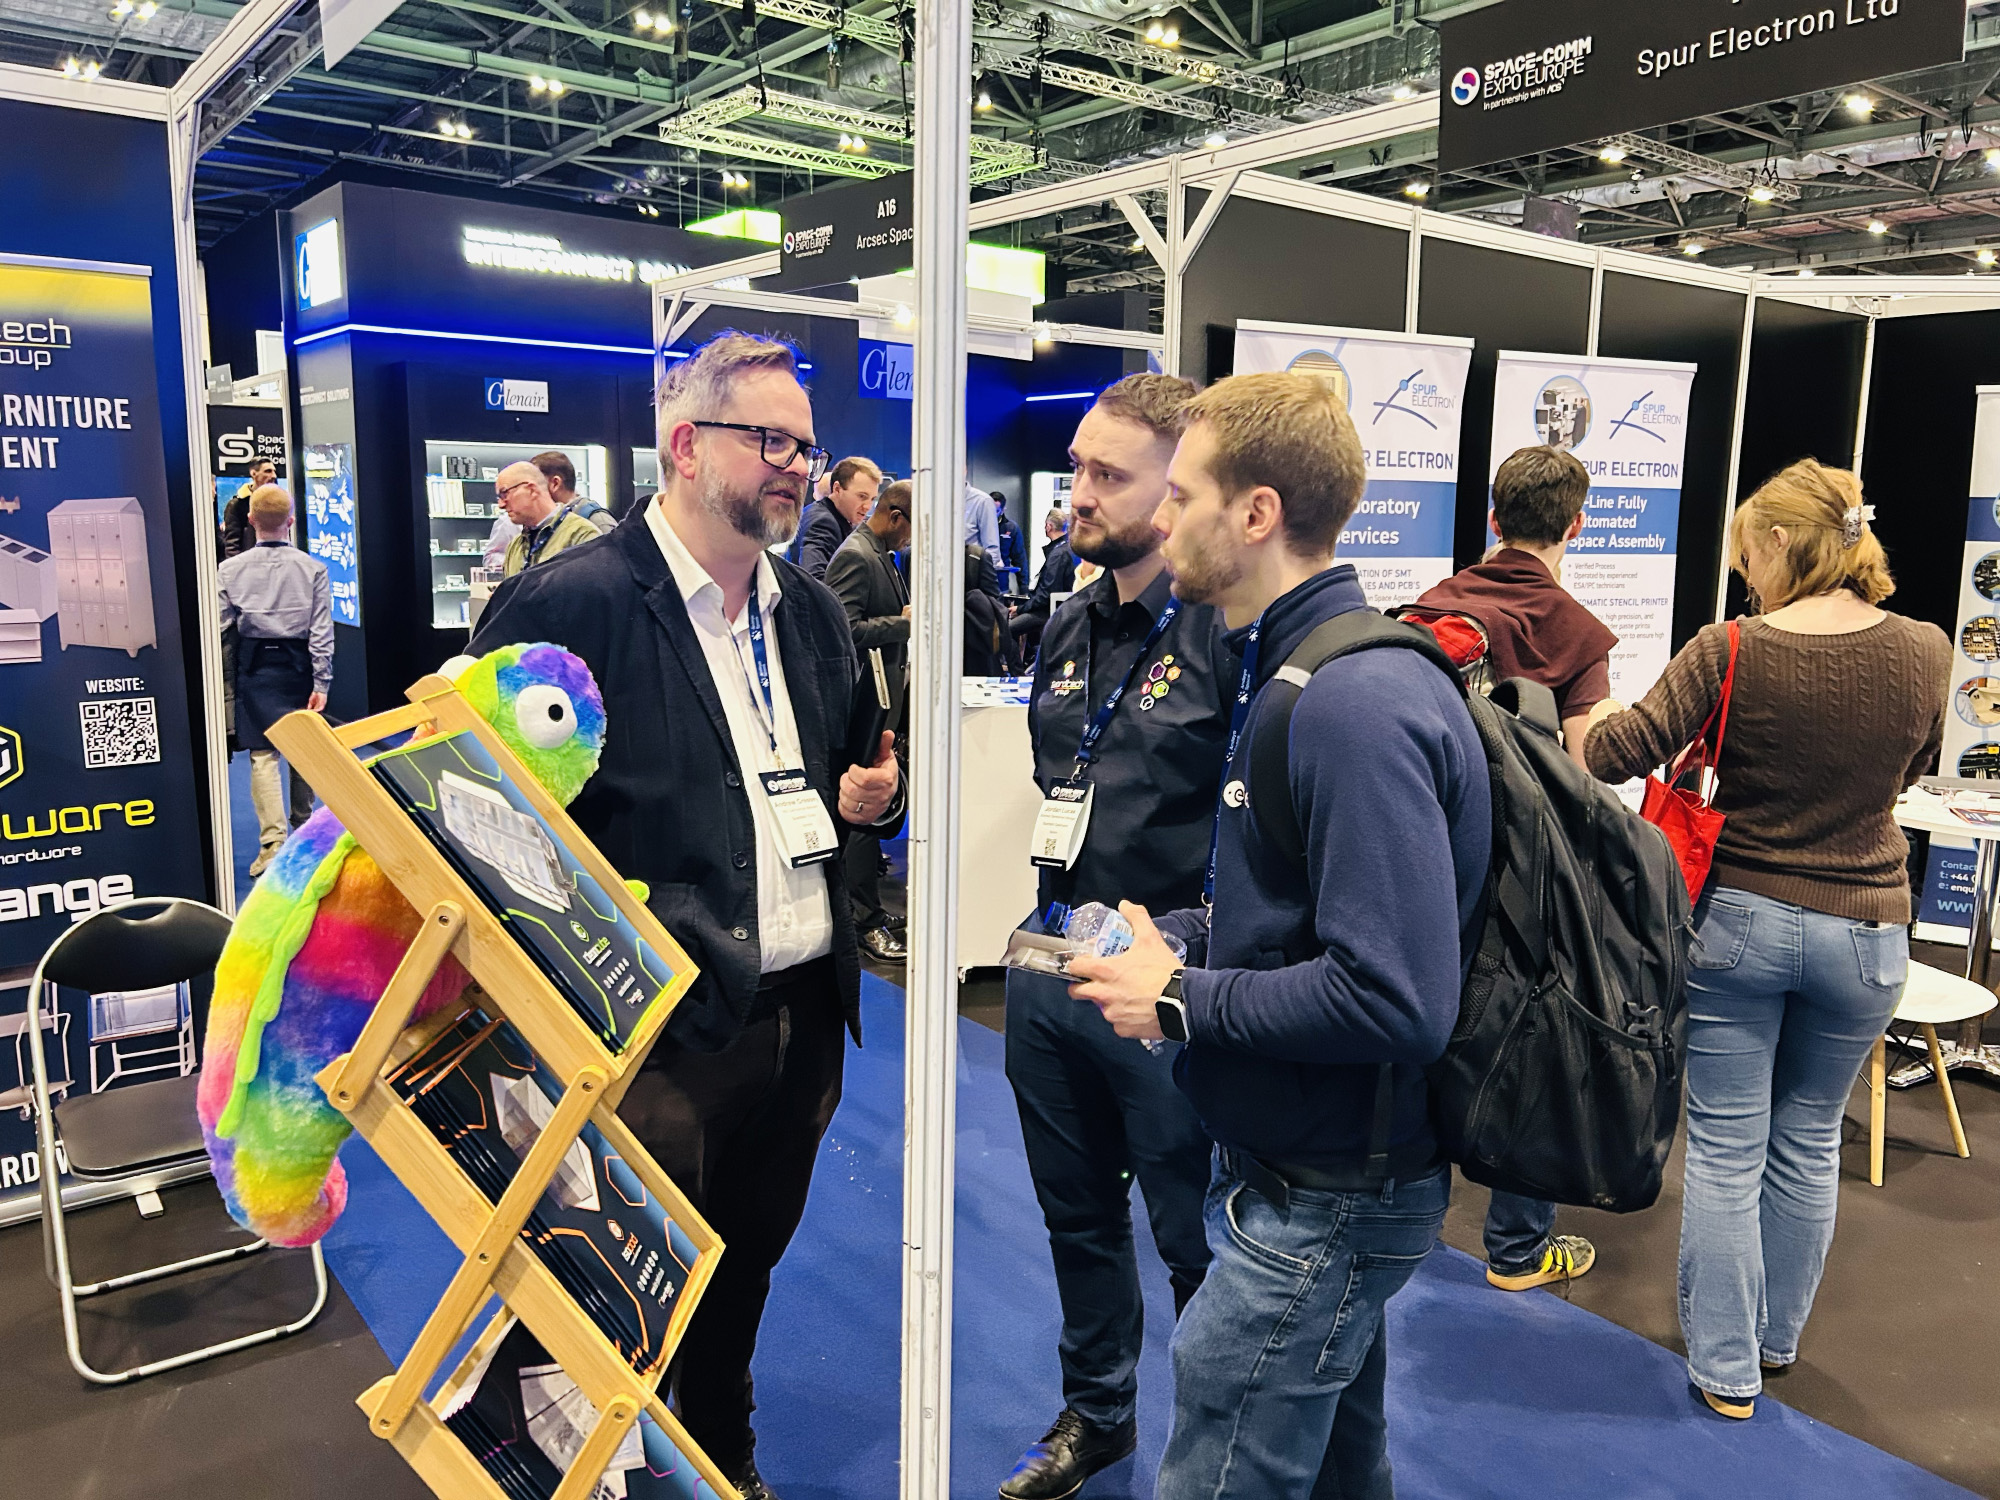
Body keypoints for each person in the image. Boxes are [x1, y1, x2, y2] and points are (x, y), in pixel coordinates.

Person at [470, 331, 901, 1500]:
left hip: (801, 1014)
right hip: (650, 1035)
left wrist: (871, 797)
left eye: (804, 446)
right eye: (769, 441)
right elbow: (487, 827)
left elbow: (838, 775)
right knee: (609, 1290)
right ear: (683, 445)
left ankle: (719, 1455)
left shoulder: (808, 613)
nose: (795, 466)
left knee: (741, 1269)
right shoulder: (567, 605)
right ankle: (570, 1468)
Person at [1068, 372, 1491, 1500]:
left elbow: (1396, 997)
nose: (1162, 519)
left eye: (1183, 495)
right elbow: (1297, 916)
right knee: (1345, 1471)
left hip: (1330, 1189)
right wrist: (1183, 943)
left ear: (1256, 513)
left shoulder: (1351, 704)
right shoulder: (1289, 668)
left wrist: (1177, 999)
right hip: (1296, 1167)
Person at [1583, 459, 1948, 1421]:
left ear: (1781, 541)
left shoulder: (1730, 647)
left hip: (1740, 924)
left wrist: (1593, 711)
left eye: (1748, 554)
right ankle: (1775, 1342)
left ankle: (1725, 1369)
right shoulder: (1926, 647)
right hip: (1869, 932)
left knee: (1726, 1150)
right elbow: (1911, 768)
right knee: (1810, 1140)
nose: (1745, 574)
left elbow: (1617, 754)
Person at [1000, 373, 1230, 1500]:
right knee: (1077, 1215)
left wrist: (1191, 958)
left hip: (1166, 995)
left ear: (1176, 489)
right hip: (1051, 968)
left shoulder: (1223, 635)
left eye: (1106, 475)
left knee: (1197, 1244)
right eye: (1076, 468)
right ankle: (1097, 1414)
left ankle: (1216, 1445)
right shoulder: (1068, 619)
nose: (1077, 494)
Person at [1409, 443, 1615, 1296]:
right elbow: (1588, 770)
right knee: (1535, 1044)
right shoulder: (1579, 633)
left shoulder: (1432, 605)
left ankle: (1408, 1222)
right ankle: (1519, 1249)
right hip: (1527, 874)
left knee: (1418, 1025)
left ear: (1494, 518)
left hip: (1426, 856)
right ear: (1578, 525)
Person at [216, 485, 333, 877]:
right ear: (291, 521)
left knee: (262, 755)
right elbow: (321, 632)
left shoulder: (229, 570)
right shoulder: (314, 569)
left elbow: (220, 626)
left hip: (255, 665)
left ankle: (272, 845)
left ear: (250, 520)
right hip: (300, 666)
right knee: (304, 748)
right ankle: (306, 831)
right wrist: (322, 682)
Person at [824, 478, 912, 964]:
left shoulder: (880, 553)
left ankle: (868, 909)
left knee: (873, 808)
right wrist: (905, 623)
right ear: (895, 516)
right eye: (911, 528)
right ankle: (862, 919)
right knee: (861, 812)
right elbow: (841, 629)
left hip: (883, 698)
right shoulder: (857, 555)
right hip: (863, 702)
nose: (911, 539)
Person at [496, 460, 600, 577]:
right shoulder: (514, 546)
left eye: (504, 493)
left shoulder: (581, 535)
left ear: (531, 490)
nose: (501, 505)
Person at [795, 456, 882, 580]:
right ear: (837, 489)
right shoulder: (823, 522)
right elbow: (814, 578)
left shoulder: (828, 515)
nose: (868, 506)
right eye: (862, 496)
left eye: (872, 499)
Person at [1008, 510, 1077, 657]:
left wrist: (1020, 609)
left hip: (1049, 611)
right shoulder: (1071, 549)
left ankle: (1017, 669)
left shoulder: (1057, 555)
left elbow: (1045, 595)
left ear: (1049, 526)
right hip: (1063, 609)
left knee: (1007, 629)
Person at [963, 544, 1020, 677]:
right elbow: (993, 602)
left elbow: (992, 604)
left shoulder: (976, 556)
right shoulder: (976, 556)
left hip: (974, 647)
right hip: (975, 641)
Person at [532, 449, 615, 535]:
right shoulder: (548, 522)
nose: (531, 491)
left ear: (555, 483)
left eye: (534, 484)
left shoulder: (598, 521)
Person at [218, 457, 277, 560]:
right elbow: (232, 545)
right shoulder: (237, 505)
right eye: (268, 471)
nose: (273, 476)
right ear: (253, 474)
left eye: (274, 471)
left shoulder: (278, 502)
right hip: (251, 564)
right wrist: (238, 568)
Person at [965, 475, 1003, 571]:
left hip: (972, 571)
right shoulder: (937, 499)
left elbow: (992, 549)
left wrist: (983, 573)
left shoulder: (982, 501)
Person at [995, 490, 1027, 591]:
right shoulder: (977, 526)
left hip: (1001, 584)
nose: (992, 514)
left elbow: (1020, 559)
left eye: (996, 511)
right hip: (979, 583)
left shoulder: (1011, 528)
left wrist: (1024, 587)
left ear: (1002, 510)